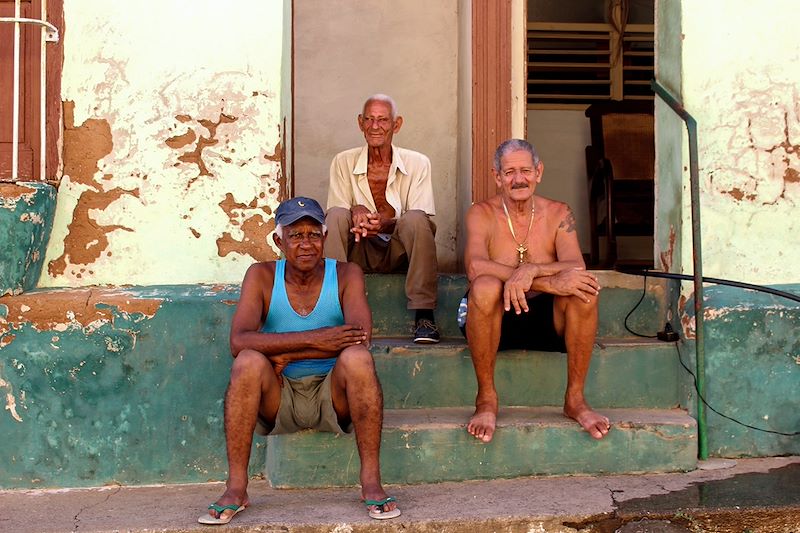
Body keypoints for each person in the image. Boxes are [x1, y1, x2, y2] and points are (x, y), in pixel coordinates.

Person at [199, 196, 400, 525]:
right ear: (279, 241)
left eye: (313, 234)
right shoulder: (262, 276)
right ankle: (236, 488)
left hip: (333, 395)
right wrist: (317, 338)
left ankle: (372, 483)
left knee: (358, 358)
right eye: (295, 235)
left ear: (324, 238)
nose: (305, 244)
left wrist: (287, 352)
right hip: (278, 395)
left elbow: (360, 336)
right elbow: (239, 341)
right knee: (248, 362)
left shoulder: (347, 273)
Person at [462, 139, 610, 444]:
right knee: (486, 284)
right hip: (491, 319)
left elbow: (575, 266)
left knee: (585, 290)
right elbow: (475, 266)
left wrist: (532, 270)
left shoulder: (558, 212)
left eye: (525, 171)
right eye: (510, 172)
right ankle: (486, 399)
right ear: (497, 177)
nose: (518, 179)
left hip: (545, 318)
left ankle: (575, 399)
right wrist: (543, 280)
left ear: (539, 172)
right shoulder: (481, 213)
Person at [325, 93, 440, 344]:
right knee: (334, 216)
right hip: (358, 250)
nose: (375, 127)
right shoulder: (343, 162)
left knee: (417, 220)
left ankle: (424, 314)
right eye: (369, 119)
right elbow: (339, 211)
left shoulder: (418, 163)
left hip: (398, 253)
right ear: (360, 123)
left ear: (396, 125)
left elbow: (417, 215)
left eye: (383, 120)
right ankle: (330, 306)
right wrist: (356, 210)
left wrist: (387, 223)